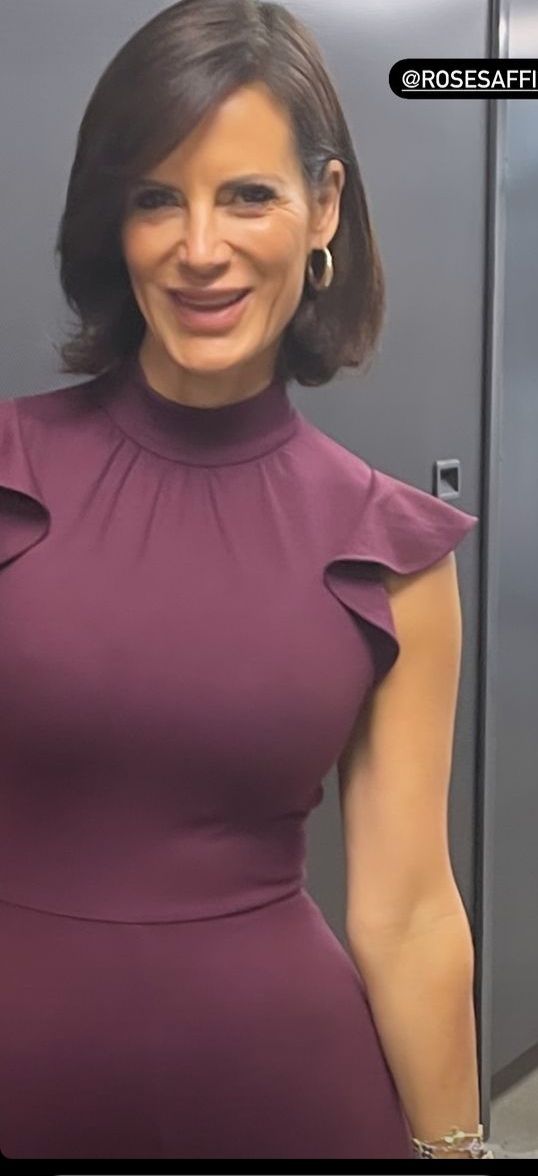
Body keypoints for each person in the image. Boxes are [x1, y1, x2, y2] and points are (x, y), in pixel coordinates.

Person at [0, 0, 491, 1161]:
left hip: (290, 1100)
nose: (200, 247)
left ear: (323, 208)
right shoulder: (9, 476)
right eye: (155, 198)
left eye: (248, 195)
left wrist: (455, 1151)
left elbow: (409, 912)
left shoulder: (392, 553)